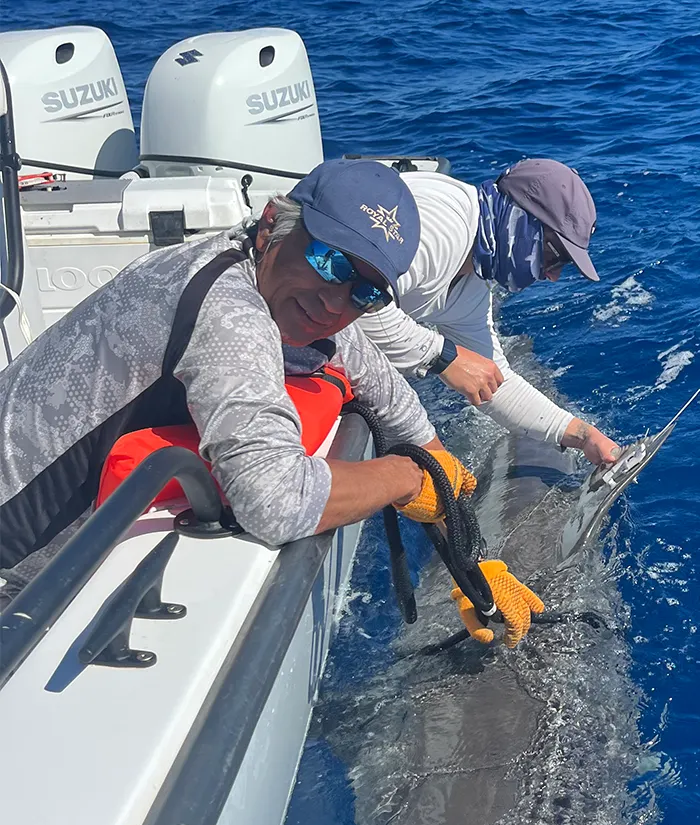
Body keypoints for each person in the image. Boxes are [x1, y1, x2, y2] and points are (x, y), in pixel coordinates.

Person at [0, 160, 441, 578]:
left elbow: (383, 386)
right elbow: (275, 502)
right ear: (272, 222)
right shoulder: (228, 311)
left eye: (366, 294)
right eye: (329, 261)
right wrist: (406, 477)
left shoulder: (262, 269)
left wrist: (454, 510)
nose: (335, 303)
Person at [356, 158, 623, 467]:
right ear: (524, 222)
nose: (553, 277)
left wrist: (584, 435)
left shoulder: (470, 285)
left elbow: (496, 384)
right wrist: (444, 357)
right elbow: (353, 303)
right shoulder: (440, 228)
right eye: (557, 257)